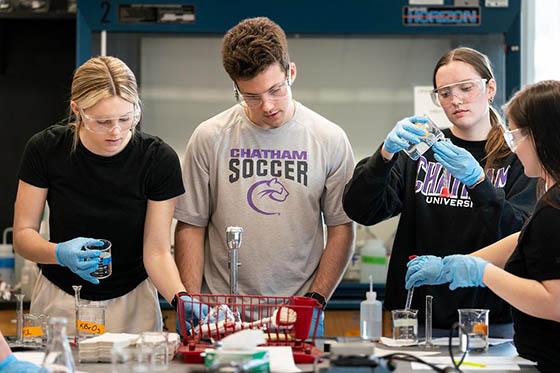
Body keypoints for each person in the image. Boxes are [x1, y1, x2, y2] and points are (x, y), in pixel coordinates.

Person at [174, 17, 355, 335]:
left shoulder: (329, 138)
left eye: (275, 90)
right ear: (236, 88)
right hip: (220, 313)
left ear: (292, 73)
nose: (268, 106)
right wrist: (190, 303)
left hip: (297, 314)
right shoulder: (209, 137)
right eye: (252, 97)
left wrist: (314, 301)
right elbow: (191, 225)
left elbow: (341, 228)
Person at [342, 47, 537, 337]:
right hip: (418, 313)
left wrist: (478, 184)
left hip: (490, 316)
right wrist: (384, 156)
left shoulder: (519, 155)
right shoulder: (421, 151)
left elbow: (523, 237)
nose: (456, 99)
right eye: (445, 93)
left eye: (466, 88)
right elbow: (361, 210)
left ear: (490, 88)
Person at [13, 56, 189, 334]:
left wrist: (181, 299)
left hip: (133, 302)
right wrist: (58, 253)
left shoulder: (157, 159)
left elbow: (156, 252)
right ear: (77, 110)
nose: (116, 131)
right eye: (103, 121)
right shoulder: (46, 149)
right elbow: (22, 236)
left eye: (125, 118)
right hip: (60, 300)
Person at [405, 80, 560, 372]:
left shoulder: (555, 208)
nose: (513, 147)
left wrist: (482, 273)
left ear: (540, 137)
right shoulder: (551, 198)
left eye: (515, 135)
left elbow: (555, 304)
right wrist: (454, 265)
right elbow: (524, 239)